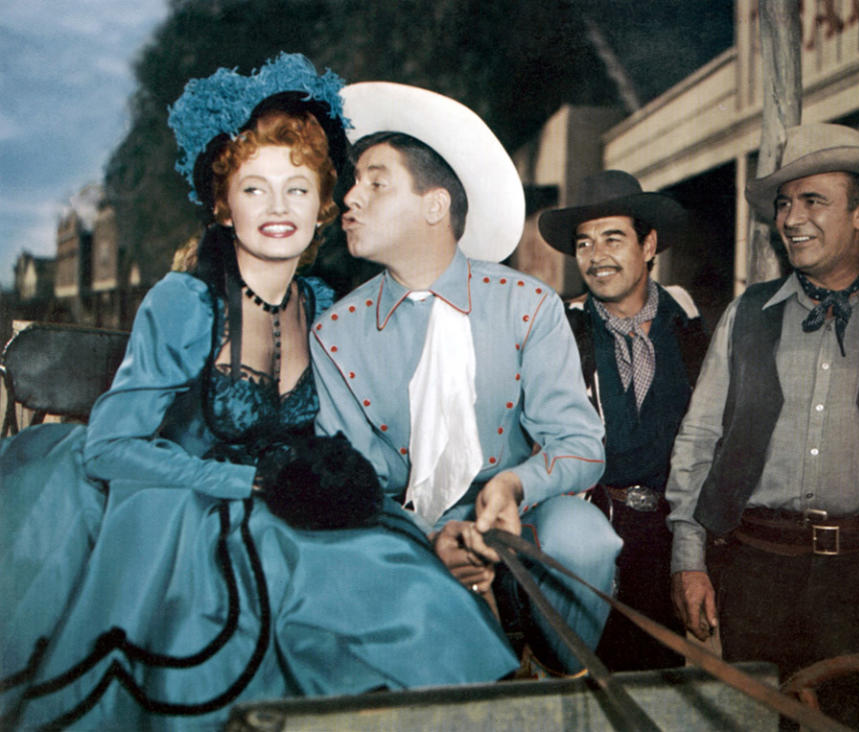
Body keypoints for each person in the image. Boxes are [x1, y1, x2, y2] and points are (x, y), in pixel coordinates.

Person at [0, 54, 517, 730]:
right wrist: (248, 486)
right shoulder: (186, 302)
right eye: (255, 189)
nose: (278, 209)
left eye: (297, 189)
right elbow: (110, 447)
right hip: (176, 514)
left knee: (410, 587)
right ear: (222, 203)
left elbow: (350, 444)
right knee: (241, 613)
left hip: (279, 509)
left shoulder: (323, 303)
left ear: (323, 204)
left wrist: (422, 522)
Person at [310, 82, 622, 675]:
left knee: (586, 537)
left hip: (519, 522)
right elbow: (351, 480)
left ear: (435, 206)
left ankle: (565, 677)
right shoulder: (335, 334)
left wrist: (511, 489)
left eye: (375, 182)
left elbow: (580, 445)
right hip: (404, 528)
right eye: (354, 183)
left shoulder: (527, 305)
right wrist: (426, 538)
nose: (349, 199)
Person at [666, 122, 859, 687]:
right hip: (752, 575)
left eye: (813, 201)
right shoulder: (745, 315)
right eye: (784, 203)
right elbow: (699, 440)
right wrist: (689, 559)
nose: (792, 219)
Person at [537, 170, 709, 670]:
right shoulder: (560, 329)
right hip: (590, 544)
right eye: (584, 243)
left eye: (613, 237)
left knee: (661, 696)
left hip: (671, 545)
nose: (596, 256)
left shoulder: (693, 324)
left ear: (649, 243)